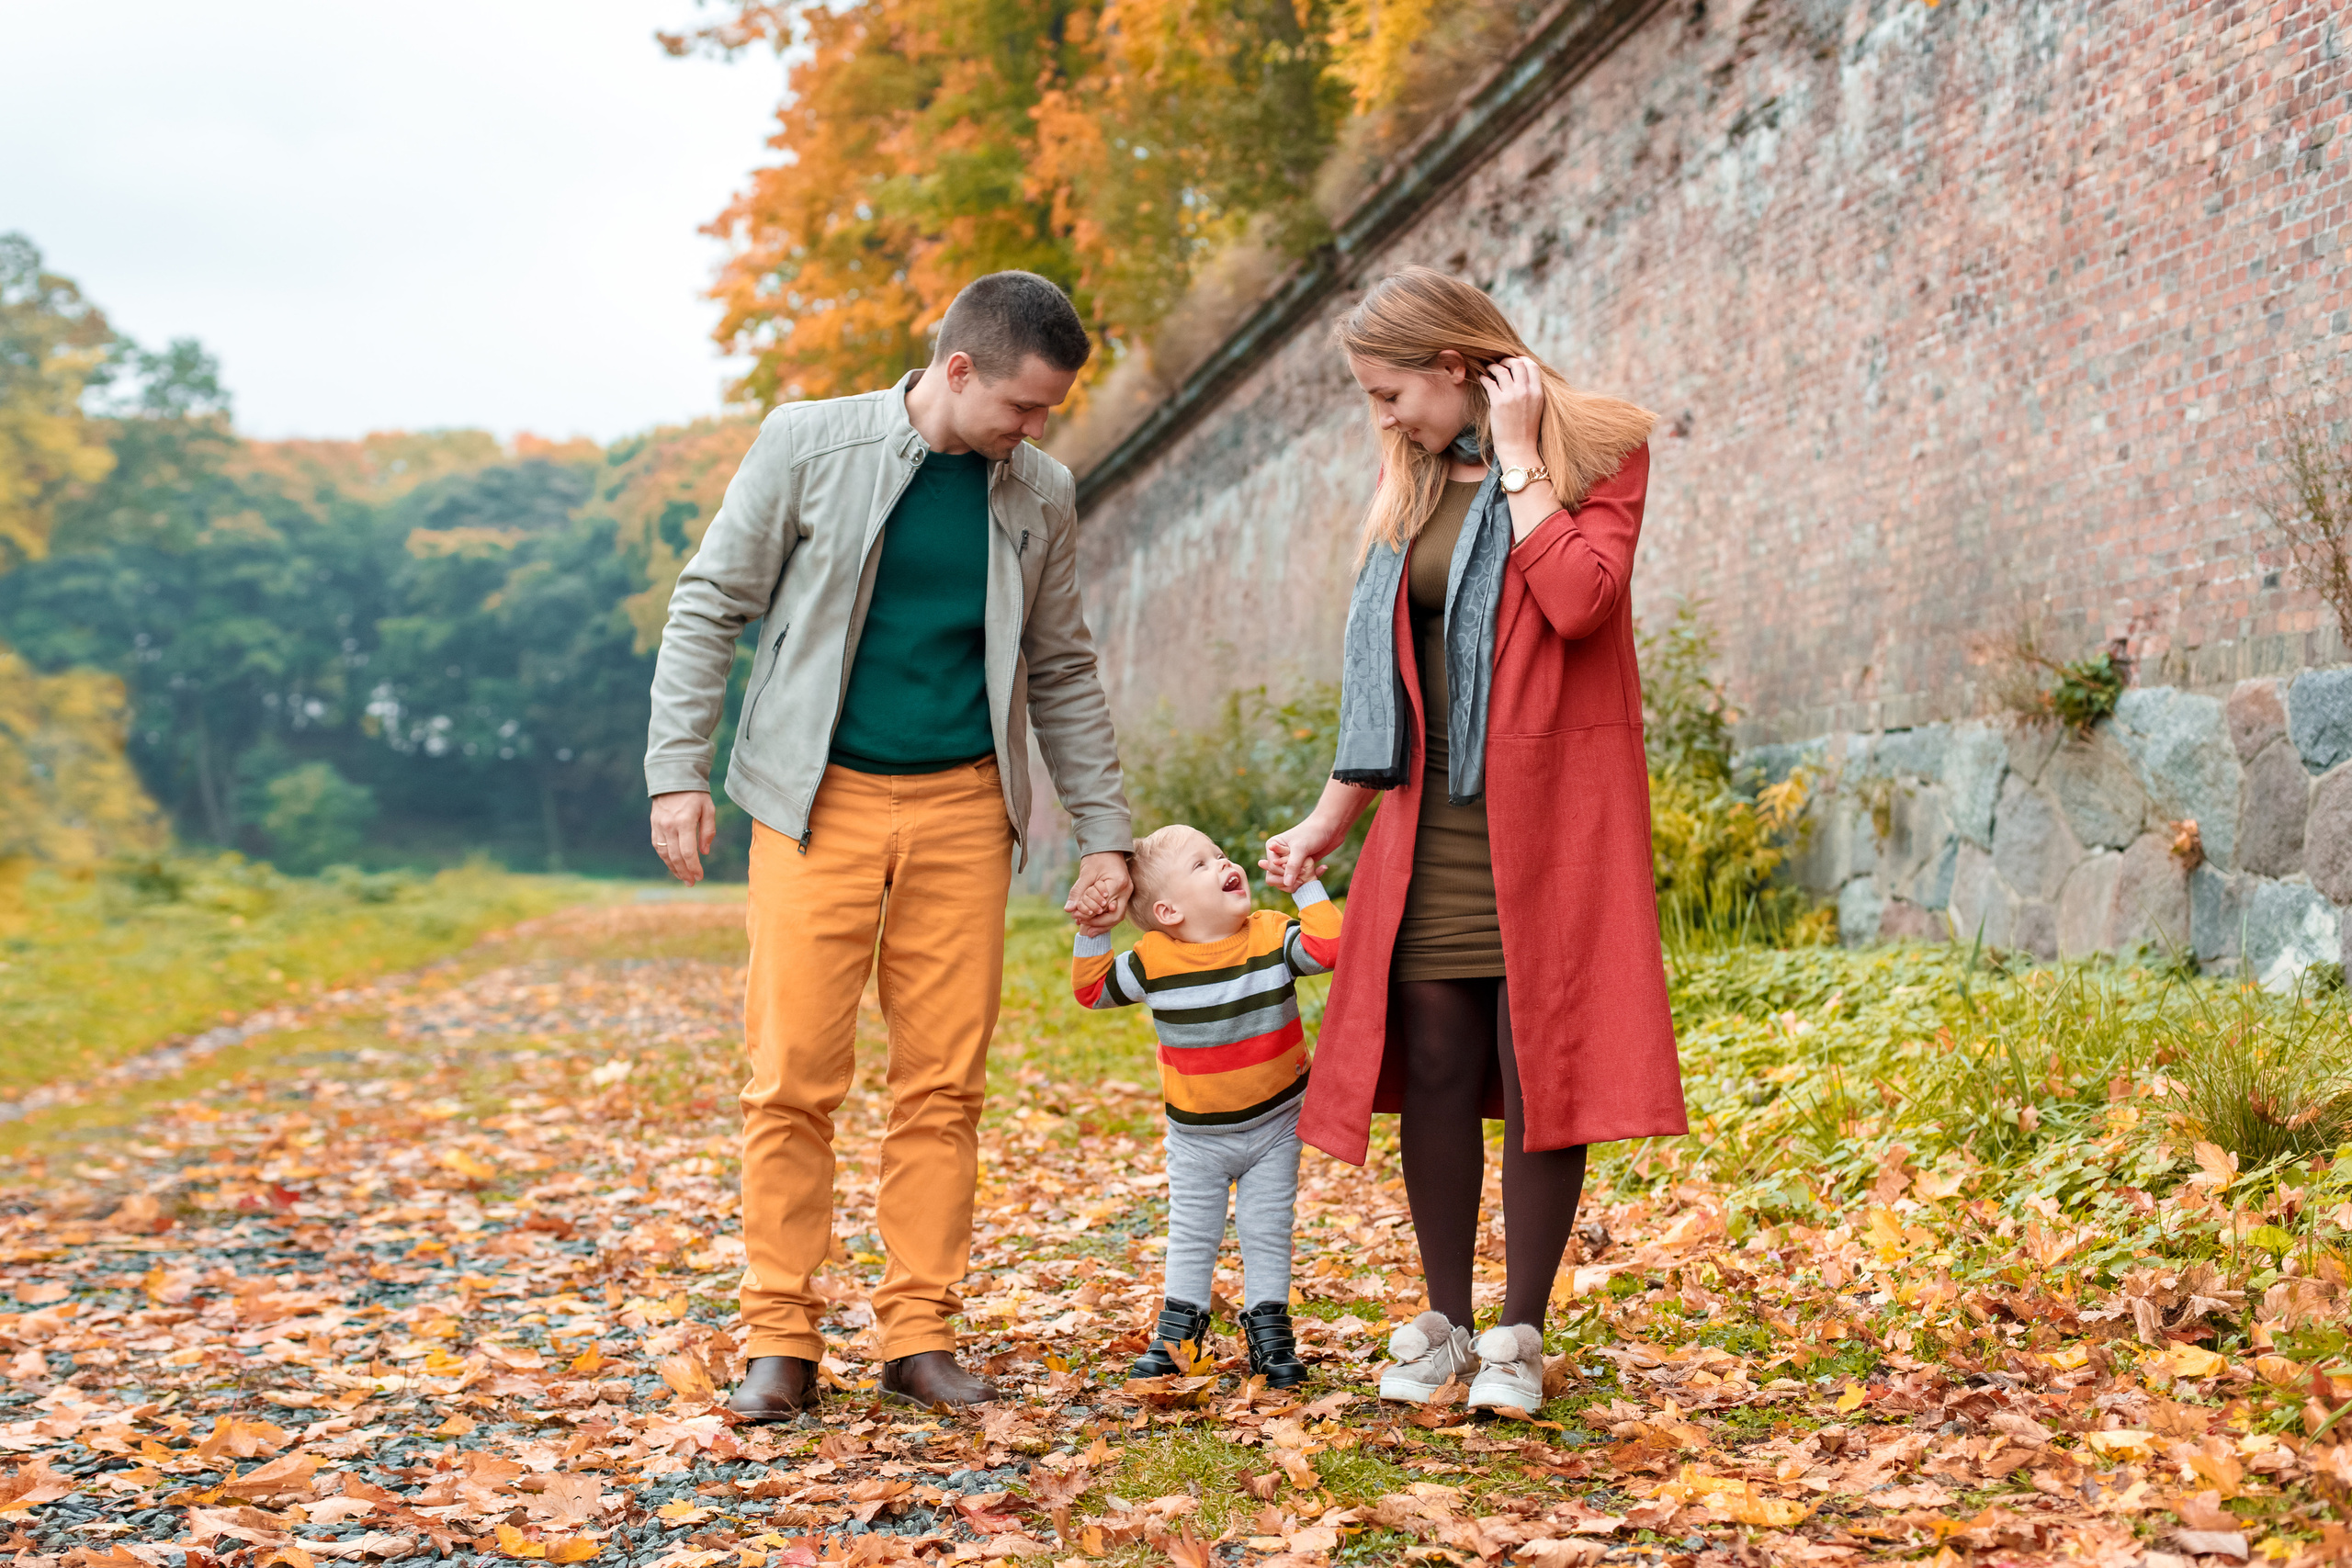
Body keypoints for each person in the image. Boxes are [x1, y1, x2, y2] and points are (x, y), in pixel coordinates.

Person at [644, 271, 1135, 1415]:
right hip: (816, 804)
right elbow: (711, 601)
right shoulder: (808, 445)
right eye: (1022, 406)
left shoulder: (1040, 490)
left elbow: (1059, 666)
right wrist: (677, 770)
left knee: (943, 1085)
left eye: (1048, 412)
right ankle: (782, 1338)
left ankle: (918, 1335)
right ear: (957, 370)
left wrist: (1104, 833)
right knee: (790, 1081)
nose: (1036, 429)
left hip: (965, 807)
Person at [1259, 266, 1687, 1416]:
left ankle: (1519, 1335)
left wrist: (1520, 458)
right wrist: (1326, 823)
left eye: (1391, 391)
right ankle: (1443, 1322)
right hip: (1428, 828)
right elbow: (1387, 686)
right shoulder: (1411, 482)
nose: (1382, 417)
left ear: (1458, 367)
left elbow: (1582, 599)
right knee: (1440, 1066)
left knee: (1537, 1064)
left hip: (1552, 821)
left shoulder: (1600, 451)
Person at [1069, 826, 1340, 1389]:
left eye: (1219, 853)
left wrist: (1307, 888)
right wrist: (1095, 931)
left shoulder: (1269, 936)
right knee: (1193, 1232)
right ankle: (1177, 1337)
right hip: (1196, 1139)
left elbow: (1329, 950)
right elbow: (1093, 991)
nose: (1222, 863)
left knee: (1267, 1228)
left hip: (1276, 1124)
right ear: (1168, 911)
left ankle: (1270, 1333)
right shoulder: (1153, 960)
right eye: (1200, 864)